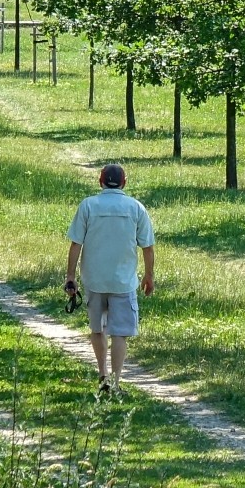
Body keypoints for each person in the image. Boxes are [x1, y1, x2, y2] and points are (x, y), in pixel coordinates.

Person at [65, 163, 155, 396]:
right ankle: (116, 383)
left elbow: (76, 244)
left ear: (100, 181)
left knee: (98, 329)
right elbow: (147, 247)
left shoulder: (88, 205)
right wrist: (149, 276)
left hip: (94, 279)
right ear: (124, 182)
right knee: (120, 333)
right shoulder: (136, 208)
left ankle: (102, 374)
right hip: (123, 282)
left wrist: (70, 277)